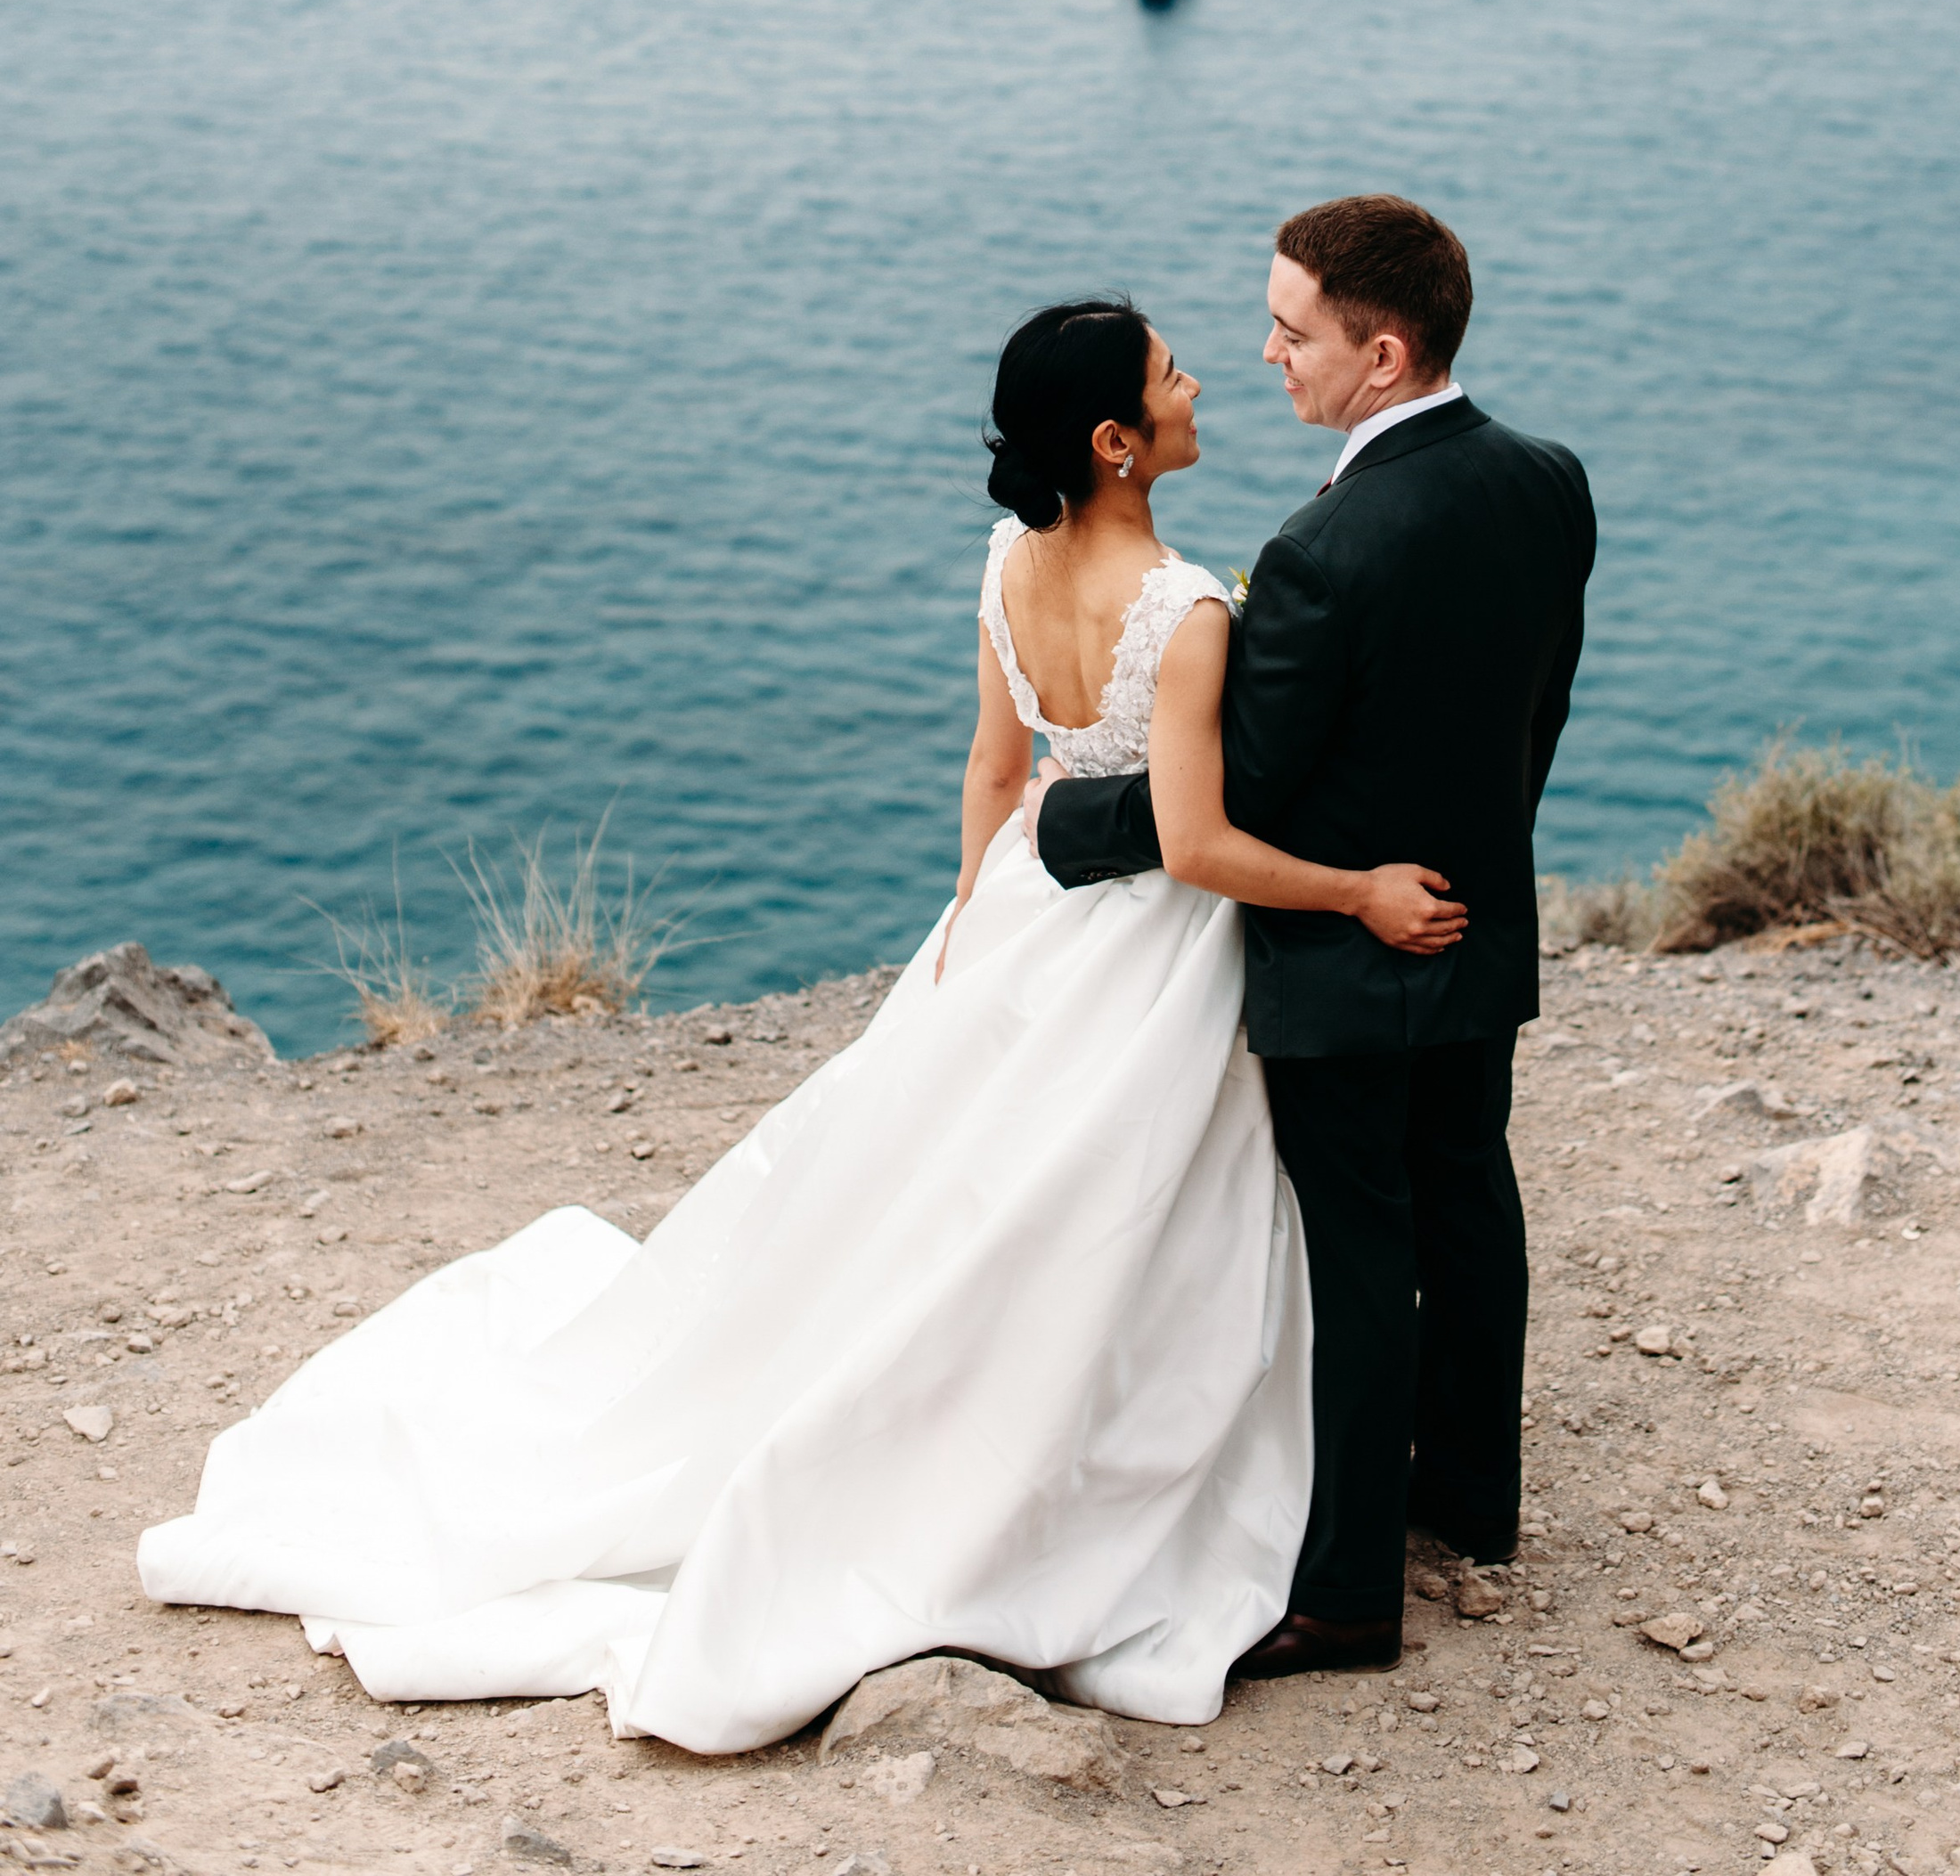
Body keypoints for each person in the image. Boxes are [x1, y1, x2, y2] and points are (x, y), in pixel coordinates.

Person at [138, 298, 1462, 1750]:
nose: (1202, 381)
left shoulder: (1010, 563)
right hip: (1147, 954)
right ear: (1116, 443)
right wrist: (1356, 893)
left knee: (960, 1196)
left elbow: (994, 763)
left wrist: (969, 923)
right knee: (1110, 1209)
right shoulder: (1189, 609)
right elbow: (1197, 846)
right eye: (1170, 376)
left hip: (1025, 916)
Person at [1030, 195, 1595, 1681]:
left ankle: (1348, 1595)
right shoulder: (1550, 485)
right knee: (1469, 1200)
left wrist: (1066, 829)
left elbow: (1240, 792)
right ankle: (1473, 1502)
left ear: (1385, 352)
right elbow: (1534, 711)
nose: (1267, 354)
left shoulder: (1324, 550)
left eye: (1294, 331)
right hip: (1479, 923)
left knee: (1361, 1252)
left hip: (1351, 964)